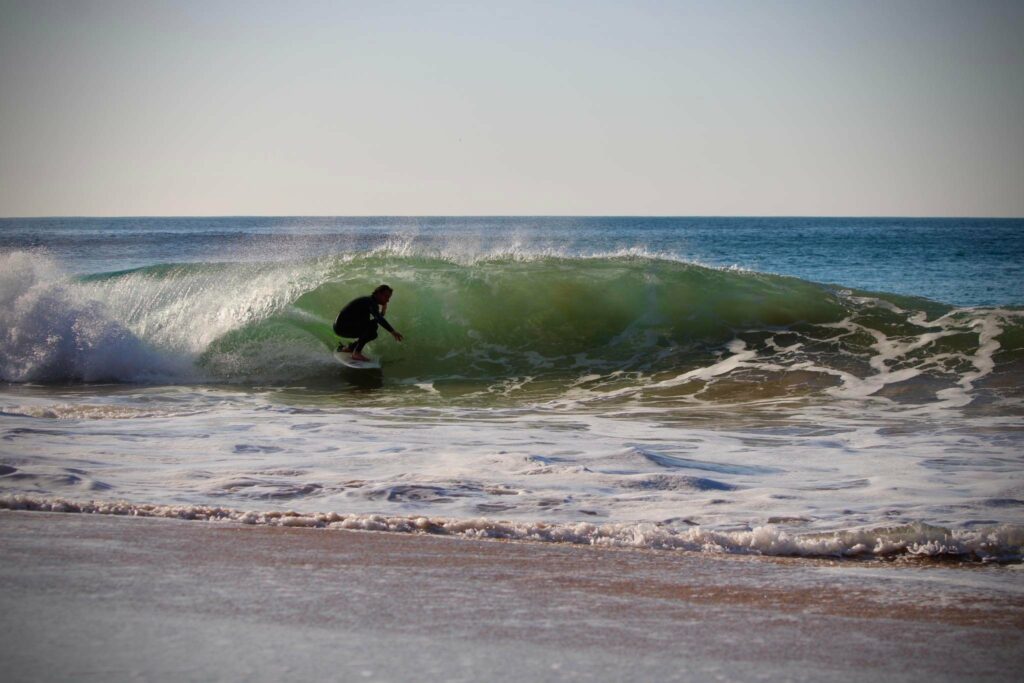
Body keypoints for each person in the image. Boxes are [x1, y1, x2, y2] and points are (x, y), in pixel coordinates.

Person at [333, 284, 404, 361]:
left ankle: (350, 348)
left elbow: (377, 318)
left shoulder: (369, 301)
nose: (388, 300)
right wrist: (392, 331)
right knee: (372, 326)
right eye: (386, 297)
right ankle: (356, 353)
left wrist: (383, 311)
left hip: (341, 327)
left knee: (373, 334)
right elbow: (378, 319)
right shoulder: (370, 302)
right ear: (378, 294)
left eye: (389, 298)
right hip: (342, 327)